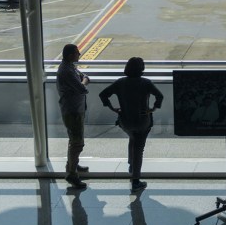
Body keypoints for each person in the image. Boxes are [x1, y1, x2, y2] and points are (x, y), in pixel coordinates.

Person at [100, 57, 164, 192]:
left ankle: (131, 165)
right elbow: (160, 96)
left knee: (132, 138)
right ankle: (136, 180)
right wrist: (153, 108)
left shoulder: (120, 83)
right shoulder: (146, 83)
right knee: (139, 148)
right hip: (142, 120)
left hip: (125, 120)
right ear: (142, 69)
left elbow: (103, 94)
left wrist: (113, 108)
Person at [57, 43, 90, 189]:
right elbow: (82, 88)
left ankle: (73, 165)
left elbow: (79, 75)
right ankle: (71, 174)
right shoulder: (67, 71)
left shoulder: (69, 66)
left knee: (74, 139)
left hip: (74, 109)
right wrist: (86, 80)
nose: (79, 54)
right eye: (77, 52)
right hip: (73, 111)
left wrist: (82, 77)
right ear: (71, 55)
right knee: (77, 142)